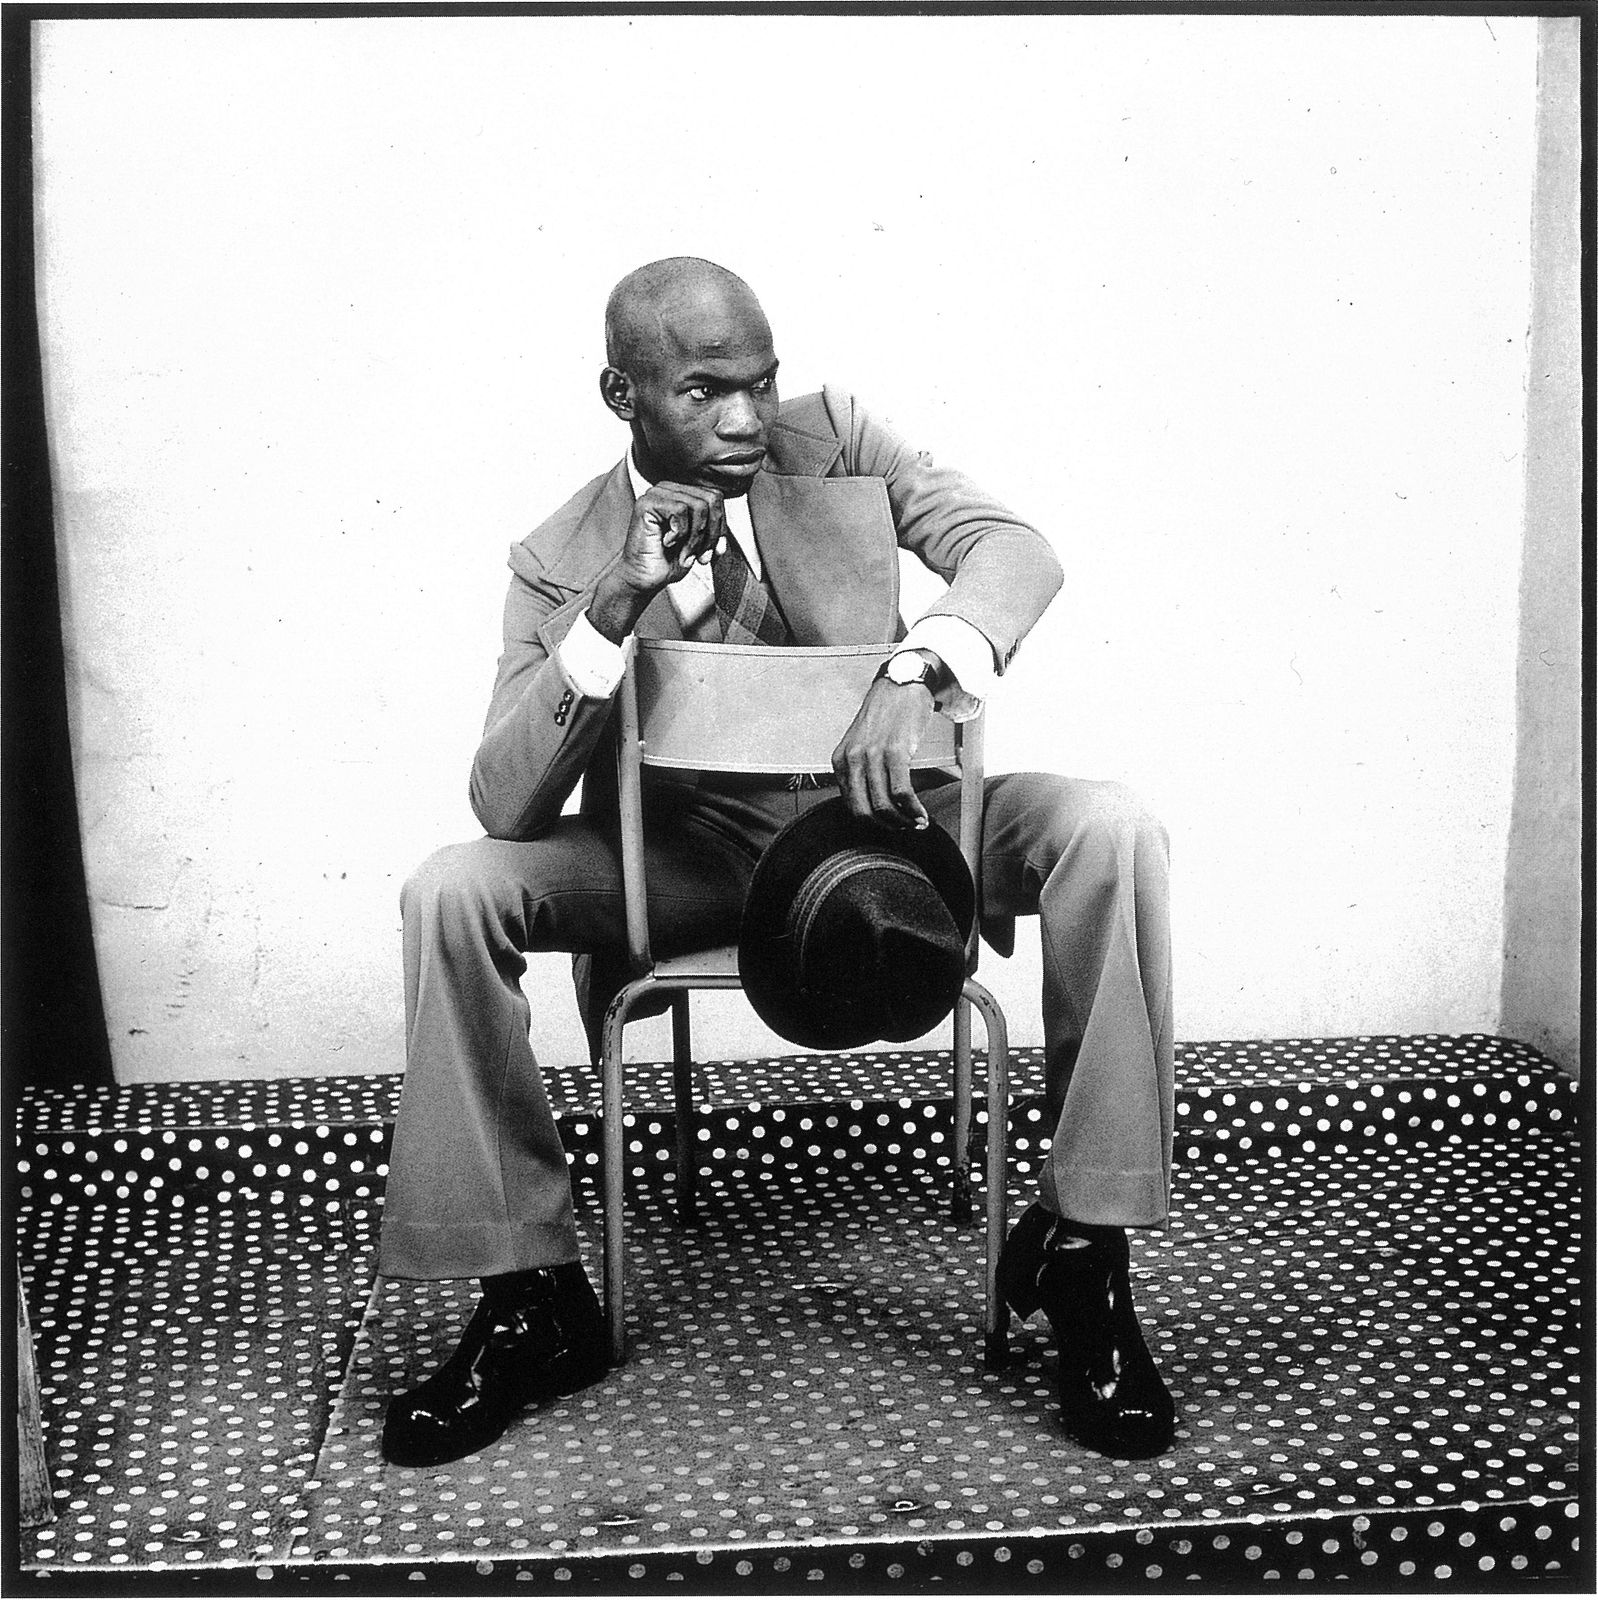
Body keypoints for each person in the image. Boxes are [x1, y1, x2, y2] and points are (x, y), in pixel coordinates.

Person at [379, 257, 1176, 1469]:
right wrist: (614, 605)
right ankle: (528, 1289)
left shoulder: (839, 440)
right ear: (620, 391)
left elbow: (1014, 550)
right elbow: (503, 799)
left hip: (893, 828)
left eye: (760, 383)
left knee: (1112, 828)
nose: (747, 420)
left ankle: (1082, 1247)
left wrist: (912, 669)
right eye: (705, 392)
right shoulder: (560, 553)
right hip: (698, 857)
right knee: (449, 889)